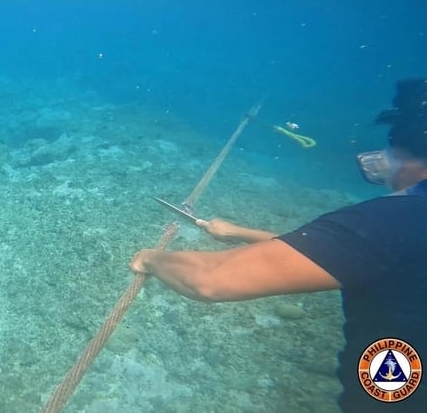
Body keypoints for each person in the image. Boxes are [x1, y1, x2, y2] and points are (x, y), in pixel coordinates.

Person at [130, 78, 427, 412]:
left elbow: (210, 279)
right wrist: (236, 231)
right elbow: (339, 253)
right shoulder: (396, 229)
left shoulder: (392, 220)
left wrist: (150, 258)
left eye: (391, 144)